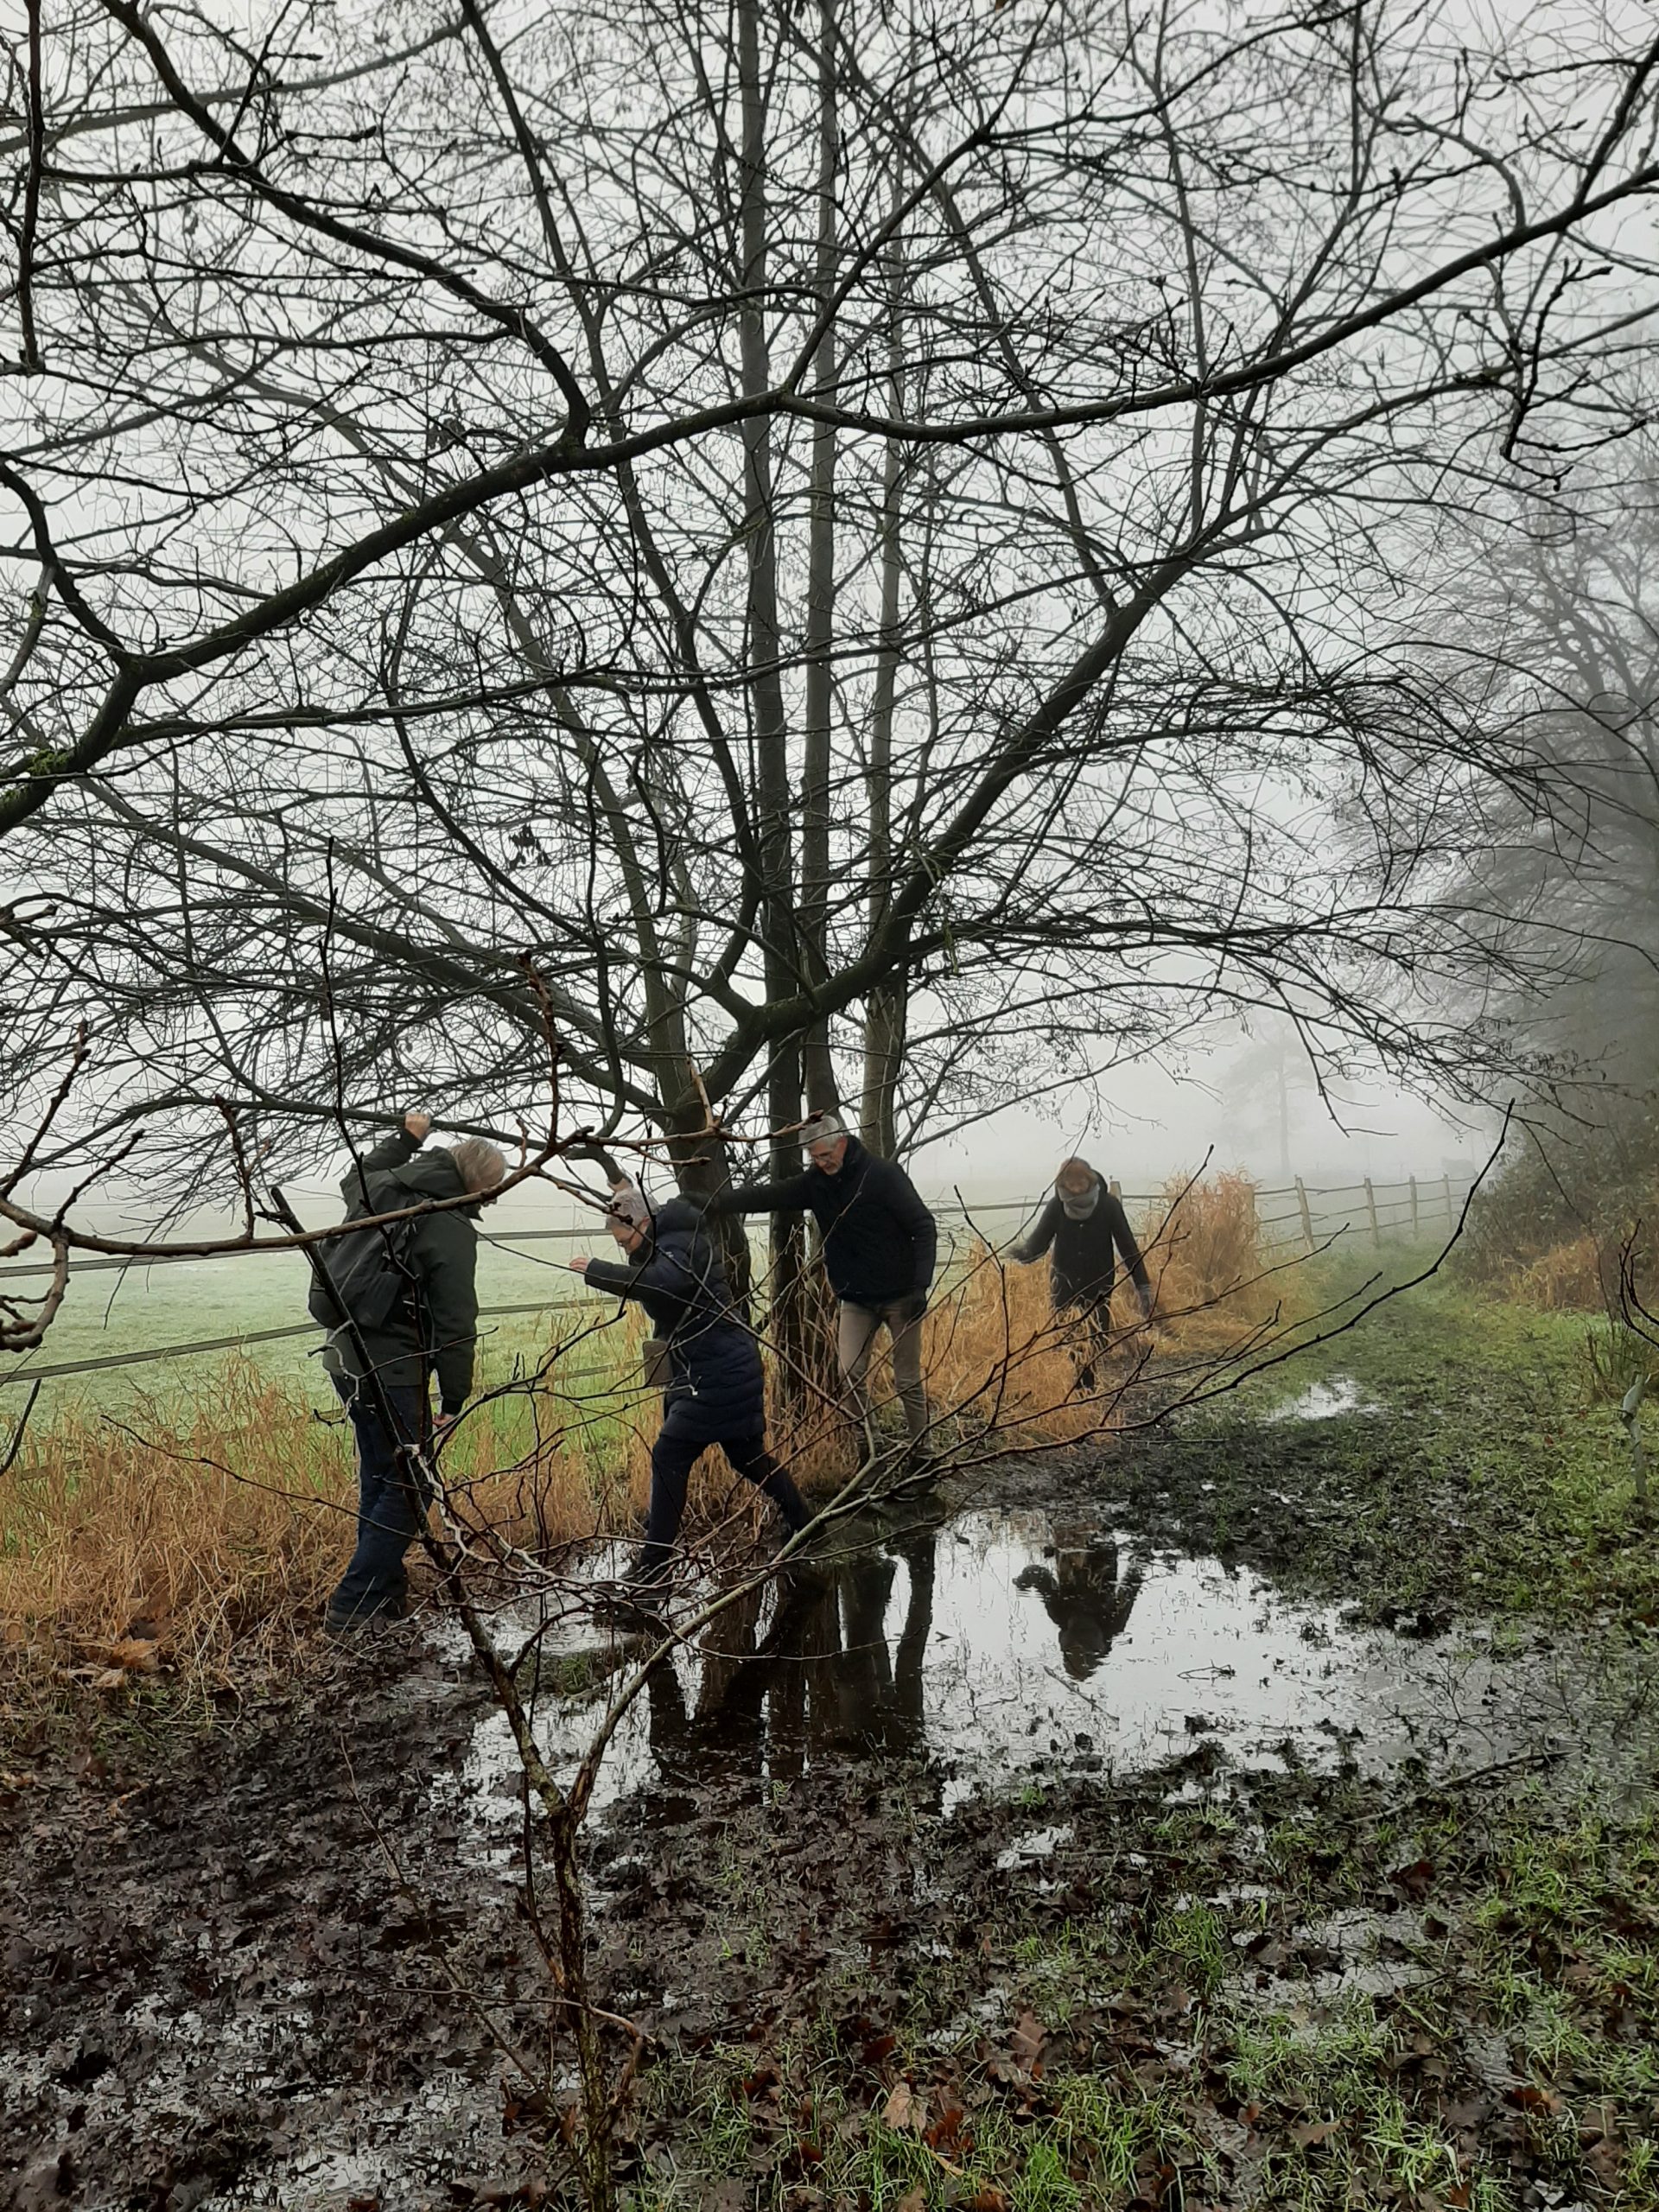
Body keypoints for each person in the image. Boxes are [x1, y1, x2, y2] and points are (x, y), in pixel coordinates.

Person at [570, 1181, 811, 1599]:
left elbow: (663, 1284)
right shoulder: (664, 1239)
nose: (624, 1249)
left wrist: (597, 1271)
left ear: (642, 1222)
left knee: (670, 1454)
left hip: (720, 1369)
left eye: (624, 1238)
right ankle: (805, 1522)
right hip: (709, 1365)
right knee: (746, 1456)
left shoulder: (680, 1243)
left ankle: (653, 1568)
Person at [315, 1109, 506, 1631]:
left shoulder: (383, 1185)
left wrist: (406, 1137)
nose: (492, 1200)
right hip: (393, 1364)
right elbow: (455, 1318)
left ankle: (383, 1590)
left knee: (382, 1472)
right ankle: (354, 1602)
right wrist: (453, 1396)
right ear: (479, 1186)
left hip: (343, 1352)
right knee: (412, 1483)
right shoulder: (448, 1223)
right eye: (493, 1191)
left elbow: (353, 1174)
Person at [710, 1109, 938, 1458]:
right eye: (815, 1158)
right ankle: (870, 1449)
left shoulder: (882, 1176)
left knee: (906, 1379)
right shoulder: (816, 1183)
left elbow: (923, 1227)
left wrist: (921, 1286)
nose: (822, 1163)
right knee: (849, 1373)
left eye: (826, 1155)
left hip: (902, 1295)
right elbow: (770, 1195)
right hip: (857, 1298)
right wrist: (716, 1204)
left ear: (842, 1144)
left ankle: (923, 1453)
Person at [1010, 1157, 1152, 1387]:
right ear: (1062, 1182)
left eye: (1080, 1180)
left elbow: (1127, 1246)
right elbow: (1038, 1243)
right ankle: (1073, 1394)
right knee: (1066, 1338)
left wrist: (1142, 1285)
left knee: (1094, 1338)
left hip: (1098, 1283)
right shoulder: (1057, 1207)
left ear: (1090, 1179)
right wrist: (1017, 1255)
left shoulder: (1108, 1206)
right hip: (1064, 1283)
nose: (1076, 1186)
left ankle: (1086, 1389)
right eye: (1070, 1181)